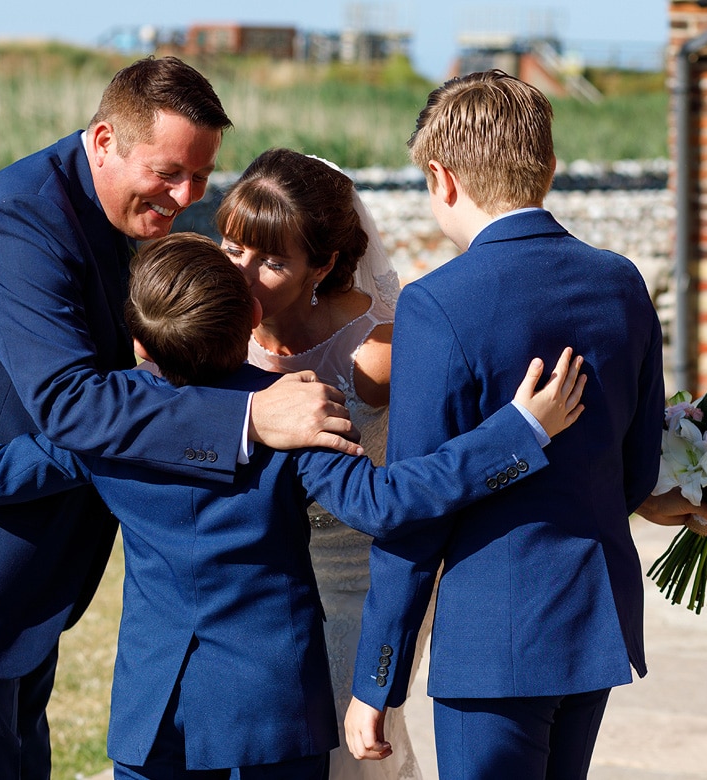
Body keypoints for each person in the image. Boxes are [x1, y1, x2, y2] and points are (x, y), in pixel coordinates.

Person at [0, 232, 588, 778]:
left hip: (155, 712)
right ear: (248, 313)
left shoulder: (104, 422)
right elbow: (391, 502)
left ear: (140, 340)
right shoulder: (295, 410)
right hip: (271, 710)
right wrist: (517, 434)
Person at [0, 56, 362, 780]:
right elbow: (73, 404)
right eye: (170, 172)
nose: (184, 197)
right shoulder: (18, 226)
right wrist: (248, 420)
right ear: (105, 140)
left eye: (201, 176)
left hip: (31, 571)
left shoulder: (112, 207)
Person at [342, 69, 671, 778]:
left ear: (441, 176)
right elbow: (640, 466)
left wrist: (378, 679)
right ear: (549, 167)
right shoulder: (621, 282)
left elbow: (414, 515)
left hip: (494, 640)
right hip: (595, 618)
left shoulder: (438, 305)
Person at [213, 148, 424, 780]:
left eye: (273, 261)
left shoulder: (379, 352)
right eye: (232, 248)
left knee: (338, 755)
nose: (243, 275)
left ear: (323, 266)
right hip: (247, 587)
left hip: (350, 586)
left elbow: (438, 468)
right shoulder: (214, 325)